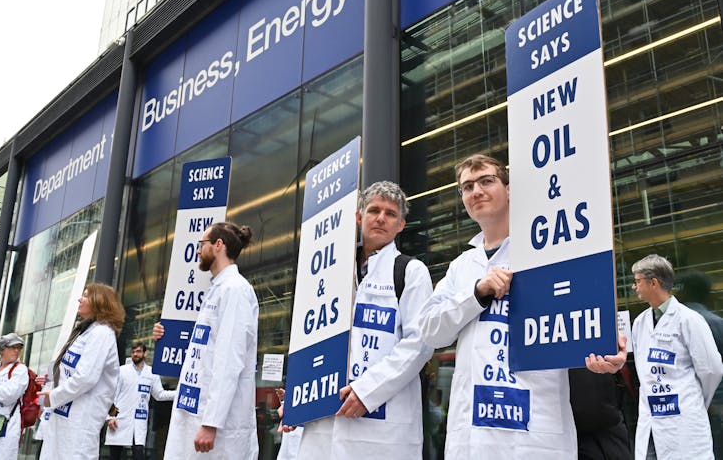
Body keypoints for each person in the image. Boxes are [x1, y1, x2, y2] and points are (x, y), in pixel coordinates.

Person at [418, 154, 626, 459]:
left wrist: (605, 347)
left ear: (510, 189)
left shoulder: (550, 250)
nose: (476, 191)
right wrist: (477, 293)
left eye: (487, 181)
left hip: (535, 432)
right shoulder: (461, 267)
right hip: (472, 436)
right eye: (467, 186)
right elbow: (430, 330)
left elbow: (581, 319)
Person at [292, 180, 435, 458]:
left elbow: (420, 343)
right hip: (324, 419)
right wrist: (299, 398)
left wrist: (367, 391)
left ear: (401, 225)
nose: (381, 218)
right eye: (374, 211)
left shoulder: (410, 271)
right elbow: (310, 340)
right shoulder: (330, 271)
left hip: (383, 425)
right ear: (359, 217)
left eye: (391, 214)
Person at [154, 221, 258, 459]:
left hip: (216, 426)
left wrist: (211, 422)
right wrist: (163, 335)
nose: (198, 251)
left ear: (218, 245)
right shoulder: (218, 289)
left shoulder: (235, 290)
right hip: (196, 412)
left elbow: (229, 360)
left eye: (202, 244)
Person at [629, 254, 723, 459]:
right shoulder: (639, 323)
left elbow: (711, 370)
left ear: (653, 283)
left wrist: (693, 400)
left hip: (684, 423)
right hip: (651, 422)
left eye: (637, 282)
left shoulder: (689, 320)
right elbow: (642, 372)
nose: (634, 287)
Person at [38, 283, 125, 460]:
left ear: (99, 302)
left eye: (85, 295)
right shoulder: (84, 332)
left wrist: (53, 396)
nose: (80, 299)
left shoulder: (102, 333)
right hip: (64, 415)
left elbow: (86, 377)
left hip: (80, 420)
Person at [105, 342, 177, 460]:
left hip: (139, 420)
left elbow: (159, 395)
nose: (135, 354)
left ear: (145, 353)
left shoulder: (152, 373)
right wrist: (110, 417)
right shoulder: (122, 371)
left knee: (138, 453)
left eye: (138, 351)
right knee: (115, 455)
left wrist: (179, 394)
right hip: (119, 418)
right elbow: (112, 394)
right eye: (133, 352)